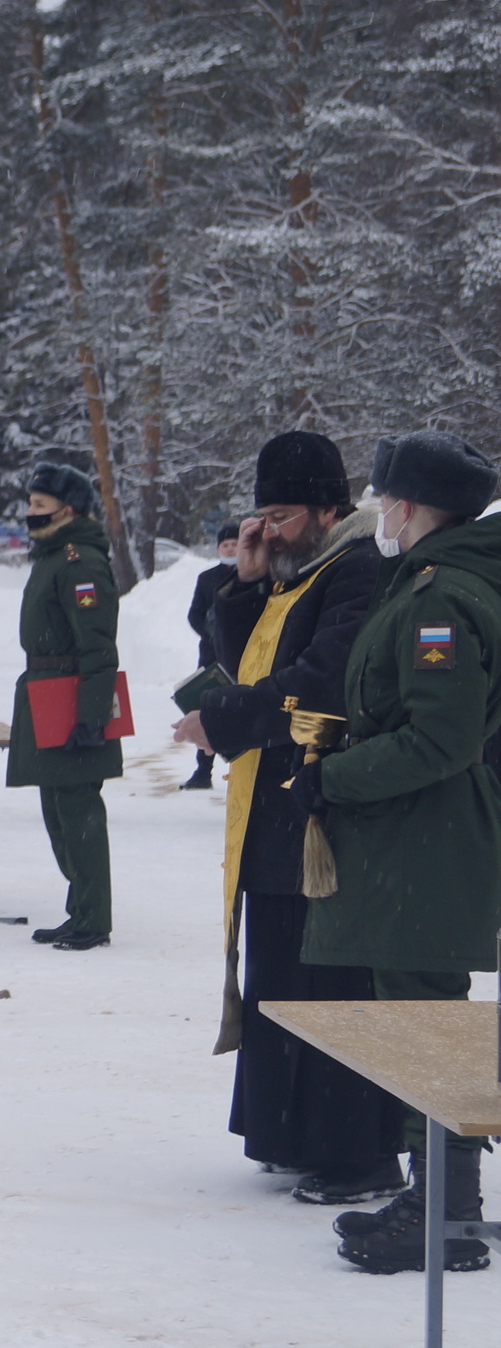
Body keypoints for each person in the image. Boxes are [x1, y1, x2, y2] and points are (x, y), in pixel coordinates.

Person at [169, 433, 403, 1206]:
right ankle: (294, 1134)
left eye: (283, 514)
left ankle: (356, 1152)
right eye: (261, 515)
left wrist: (226, 719)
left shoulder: (358, 568)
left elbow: (322, 681)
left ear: (328, 507)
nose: (269, 530)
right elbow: (247, 665)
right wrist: (243, 584)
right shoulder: (298, 570)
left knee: (329, 983)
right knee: (281, 976)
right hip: (275, 814)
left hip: (322, 818)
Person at [296, 431, 501, 1273]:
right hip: (416, 838)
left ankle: (448, 1221)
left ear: (410, 506)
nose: (377, 511)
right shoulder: (424, 582)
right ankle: (438, 1200)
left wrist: (335, 778)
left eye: (385, 498)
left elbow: (441, 739)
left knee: (426, 1025)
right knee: (419, 1022)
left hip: (427, 837)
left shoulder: (438, 598)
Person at [6, 462, 122, 951]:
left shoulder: (79, 563)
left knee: (78, 812)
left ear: (67, 511)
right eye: (29, 504)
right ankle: (81, 909)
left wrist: (93, 714)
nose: (28, 514)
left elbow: (97, 645)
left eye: (39, 506)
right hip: (46, 690)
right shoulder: (52, 556)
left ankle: (93, 918)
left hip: (71, 695)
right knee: (58, 809)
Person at [181, 520, 240, 790]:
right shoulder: (207, 579)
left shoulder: (256, 574)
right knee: (207, 709)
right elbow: (194, 614)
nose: (230, 548)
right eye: (225, 544)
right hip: (212, 656)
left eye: (234, 543)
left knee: (242, 707)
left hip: (244, 654)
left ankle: (243, 769)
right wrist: (210, 633)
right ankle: (203, 770)